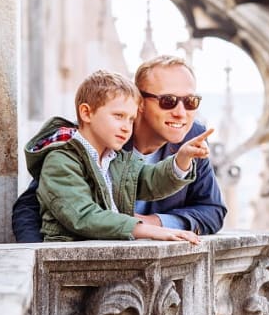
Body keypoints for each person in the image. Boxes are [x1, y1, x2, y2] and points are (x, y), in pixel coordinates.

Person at [13, 55, 226, 242]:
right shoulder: (96, 136)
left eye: (190, 101)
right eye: (168, 101)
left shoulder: (193, 138)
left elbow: (212, 210)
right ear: (139, 102)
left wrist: (156, 223)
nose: (181, 113)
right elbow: (32, 207)